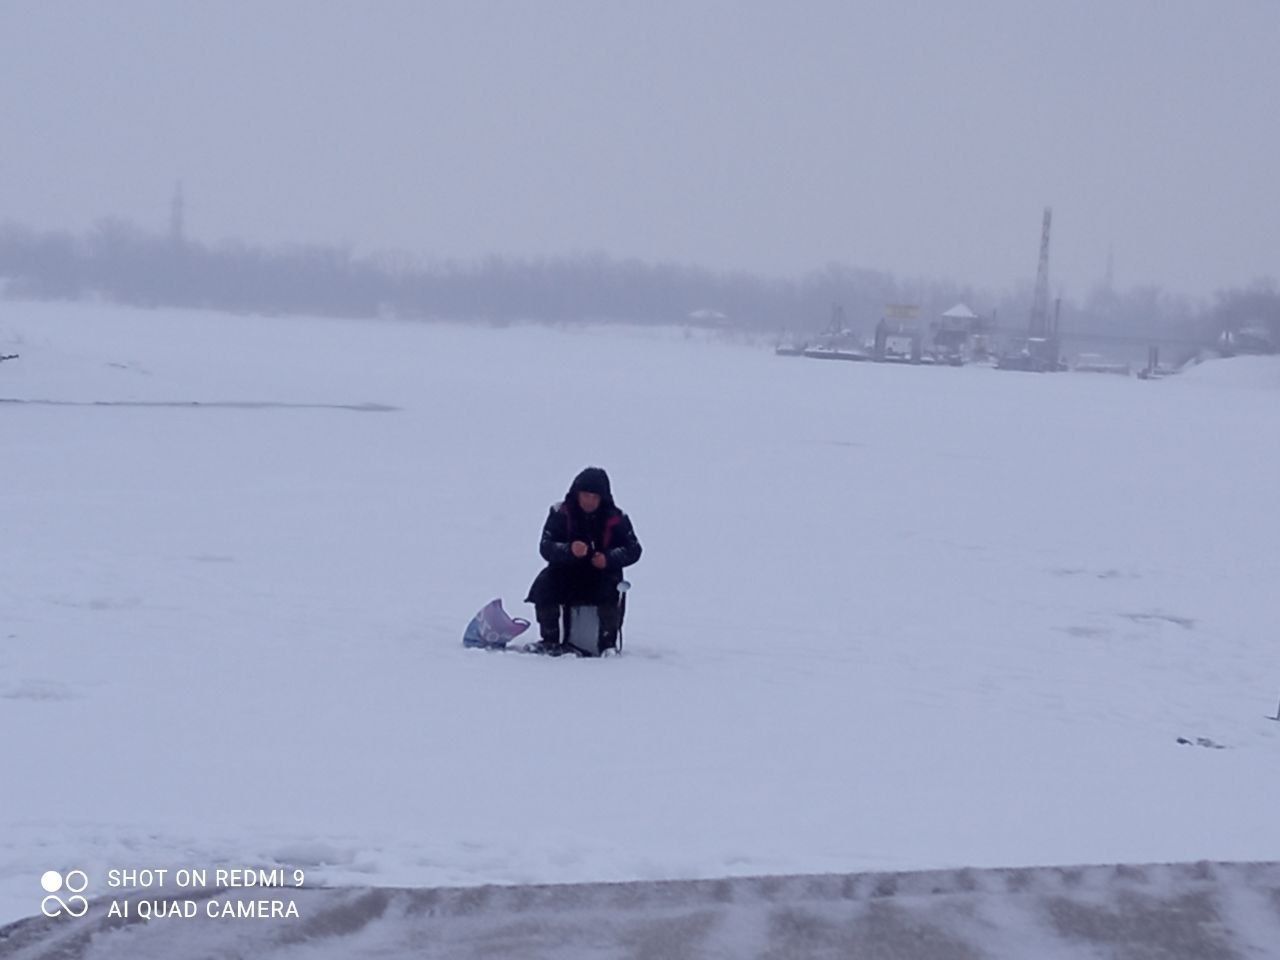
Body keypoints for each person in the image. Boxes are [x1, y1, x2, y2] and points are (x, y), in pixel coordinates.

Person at [525, 466, 642, 655]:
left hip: (603, 575)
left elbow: (634, 550)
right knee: (544, 584)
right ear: (576, 494)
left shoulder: (617, 518)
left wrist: (608, 559)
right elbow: (546, 546)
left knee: (611, 590)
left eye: (595, 497)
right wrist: (569, 550)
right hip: (565, 572)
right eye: (586, 495)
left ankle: (607, 644)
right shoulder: (559, 513)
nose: (590, 501)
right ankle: (550, 640)